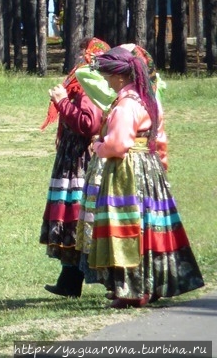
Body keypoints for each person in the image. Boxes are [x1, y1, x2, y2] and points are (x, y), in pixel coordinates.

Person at [76, 47, 204, 308]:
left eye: (109, 76)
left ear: (120, 77)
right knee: (148, 225)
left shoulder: (126, 105)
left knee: (126, 227)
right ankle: (153, 284)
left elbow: (119, 144)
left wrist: (99, 146)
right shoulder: (145, 99)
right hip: (148, 168)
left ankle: (132, 291)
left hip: (127, 172)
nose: (107, 81)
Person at [40, 37, 110, 298]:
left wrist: (62, 102)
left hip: (80, 159)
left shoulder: (90, 82)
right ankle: (69, 279)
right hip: (72, 157)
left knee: (78, 216)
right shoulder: (85, 80)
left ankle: (76, 278)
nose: (81, 58)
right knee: (73, 217)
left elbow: (89, 124)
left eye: (85, 53)